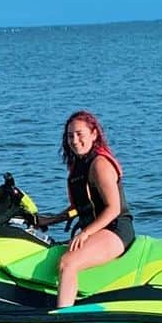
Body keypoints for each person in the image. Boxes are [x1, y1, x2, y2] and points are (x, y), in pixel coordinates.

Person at [45, 110, 135, 308]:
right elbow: (80, 207)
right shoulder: (79, 165)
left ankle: (63, 320)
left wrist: (85, 233)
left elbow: (113, 208)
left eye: (79, 134)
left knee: (68, 263)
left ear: (93, 134)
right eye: (70, 136)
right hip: (98, 229)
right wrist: (47, 220)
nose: (75, 141)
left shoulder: (99, 164)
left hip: (115, 229)